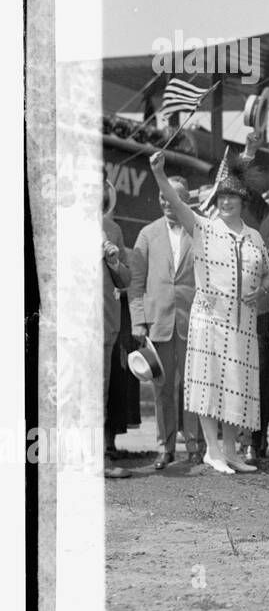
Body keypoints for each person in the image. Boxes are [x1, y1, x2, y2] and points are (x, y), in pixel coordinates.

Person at [148, 150, 269, 474]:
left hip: (242, 323)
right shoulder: (203, 227)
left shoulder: (255, 236)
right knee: (209, 383)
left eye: (233, 197)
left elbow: (267, 273)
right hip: (210, 318)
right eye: (223, 197)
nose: (227, 202)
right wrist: (160, 174)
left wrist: (262, 288)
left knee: (237, 384)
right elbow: (176, 204)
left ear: (243, 201)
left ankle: (230, 451)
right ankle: (212, 451)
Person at [129, 173, 200, 468]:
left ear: (184, 199)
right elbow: (136, 281)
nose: (166, 201)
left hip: (192, 322)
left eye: (172, 195)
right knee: (162, 387)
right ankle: (165, 447)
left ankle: (195, 446)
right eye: (162, 196)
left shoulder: (197, 230)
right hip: (158, 323)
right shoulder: (147, 234)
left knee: (192, 386)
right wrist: (138, 321)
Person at [102, 186, 133, 479]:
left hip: (105, 325)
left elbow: (125, 279)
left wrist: (113, 262)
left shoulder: (112, 228)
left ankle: (99, 460)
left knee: (99, 390)